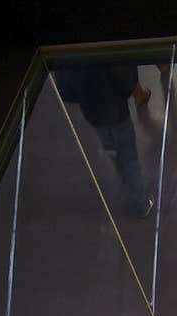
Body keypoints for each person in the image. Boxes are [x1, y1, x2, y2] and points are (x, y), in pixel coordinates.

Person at [74, 65, 154, 219]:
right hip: (117, 112)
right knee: (129, 155)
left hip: (92, 114)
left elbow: (66, 87)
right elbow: (127, 77)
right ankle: (140, 203)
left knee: (114, 152)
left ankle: (127, 182)